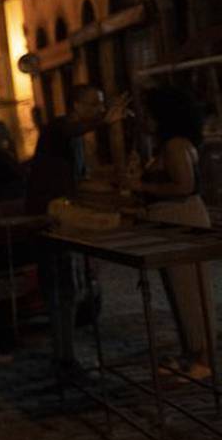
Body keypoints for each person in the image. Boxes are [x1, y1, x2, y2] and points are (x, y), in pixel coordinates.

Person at [26, 84, 129, 378]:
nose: (99, 108)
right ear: (76, 105)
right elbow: (71, 131)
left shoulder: (76, 138)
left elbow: (79, 178)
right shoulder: (58, 128)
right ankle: (62, 356)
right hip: (47, 218)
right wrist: (103, 121)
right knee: (58, 288)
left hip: (62, 216)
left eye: (101, 104)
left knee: (67, 289)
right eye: (94, 103)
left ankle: (65, 355)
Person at [124, 86, 214, 381]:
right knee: (177, 292)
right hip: (169, 223)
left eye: (148, 114)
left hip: (182, 220)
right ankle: (190, 353)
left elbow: (184, 186)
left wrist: (142, 187)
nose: (143, 120)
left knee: (190, 291)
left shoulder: (176, 145)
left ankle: (202, 358)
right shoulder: (165, 146)